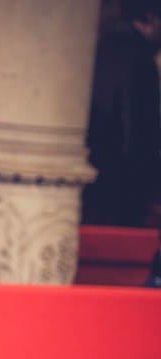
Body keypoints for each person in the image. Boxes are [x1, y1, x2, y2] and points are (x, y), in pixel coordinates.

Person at [82, 0, 161, 228]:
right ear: (150, 19)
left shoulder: (99, 46)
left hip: (92, 174)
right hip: (122, 183)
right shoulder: (138, 57)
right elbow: (139, 132)